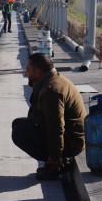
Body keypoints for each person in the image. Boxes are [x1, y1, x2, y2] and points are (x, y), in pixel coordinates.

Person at [11, 53, 87, 181]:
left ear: (38, 72)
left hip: (72, 142)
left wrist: (55, 156)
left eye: (28, 70)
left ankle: (56, 166)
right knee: (18, 124)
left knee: (19, 134)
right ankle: (53, 159)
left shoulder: (51, 91)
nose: (26, 74)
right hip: (70, 135)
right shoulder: (52, 79)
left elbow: (56, 127)